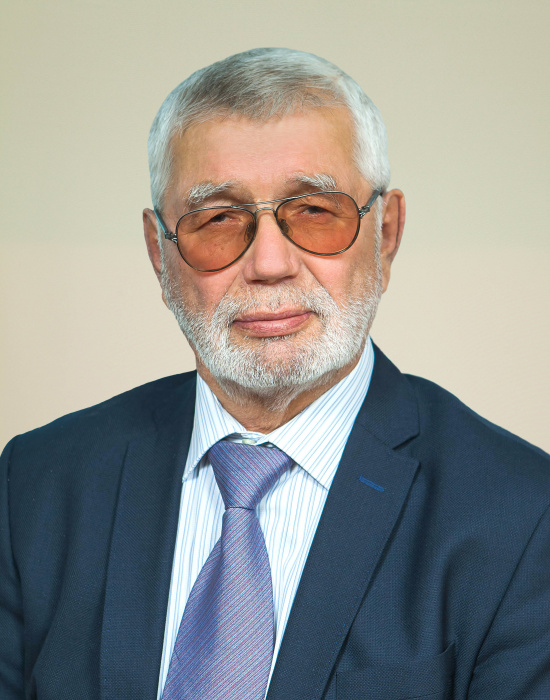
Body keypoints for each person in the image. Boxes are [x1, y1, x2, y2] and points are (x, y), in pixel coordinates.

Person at [1, 47, 549, 700]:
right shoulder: (35, 485)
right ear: (158, 253)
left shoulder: (523, 516)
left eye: (315, 211)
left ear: (387, 232)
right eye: (217, 219)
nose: (268, 264)